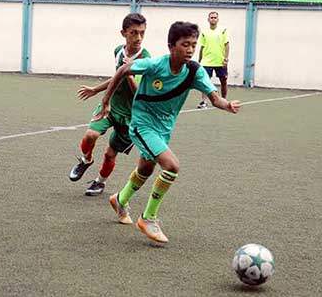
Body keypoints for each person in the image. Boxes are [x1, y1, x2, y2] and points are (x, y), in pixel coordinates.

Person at [98, 21, 240, 243]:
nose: (191, 50)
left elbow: (214, 99)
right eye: (185, 45)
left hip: (164, 128)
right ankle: (148, 218)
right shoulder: (155, 64)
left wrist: (227, 105)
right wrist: (106, 100)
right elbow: (124, 70)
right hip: (142, 124)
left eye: (193, 45)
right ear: (171, 46)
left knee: (145, 168)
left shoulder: (195, 71)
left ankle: (120, 199)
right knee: (171, 166)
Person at [70, 13, 151, 196]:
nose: (138, 38)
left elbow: (139, 91)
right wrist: (96, 90)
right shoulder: (118, 51)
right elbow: (116, 78)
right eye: (134, 33)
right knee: (91, 134)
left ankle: (100, 182)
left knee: (110, 154)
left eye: (142, 33)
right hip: (111, 105)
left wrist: (130, 71)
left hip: (131, 115)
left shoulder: (146, 59)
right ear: (123, 33)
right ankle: (86, 160)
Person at [197, 11, 229, 109]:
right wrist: (199, 60)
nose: (213, 19)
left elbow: (226, 45)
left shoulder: (223, 30)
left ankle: (224, 100)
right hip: (207, 61)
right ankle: (204, 102)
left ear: (218, 19)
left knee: (223, 81)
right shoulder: (204, 32)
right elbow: (202, 47)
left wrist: (226, 59)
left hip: (220, 61)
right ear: (208, 19)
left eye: (215, 17)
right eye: (211, 17)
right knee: (205, 82)